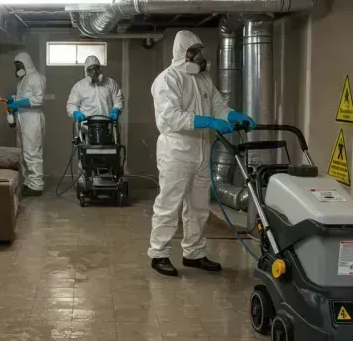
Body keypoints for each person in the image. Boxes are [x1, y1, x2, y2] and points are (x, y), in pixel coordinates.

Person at [148, 30, 255, 277]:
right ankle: (159, 253)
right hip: (176, 150)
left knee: (198, 206)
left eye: (200, 51)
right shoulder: (167, 79)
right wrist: (207, 121)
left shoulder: (204, 80)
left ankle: (193, 253)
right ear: (182, 52)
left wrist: (231, 115)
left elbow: (218, 105)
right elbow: (171, 117)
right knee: (169, 203)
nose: (198, 56)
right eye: (193, 50)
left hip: (201, 149)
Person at [4, 52, 46, 196]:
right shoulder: (23, 80)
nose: (17, 68)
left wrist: (17, 103)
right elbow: (24, 96)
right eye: (16, 66)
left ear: (26, 64)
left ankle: (37, 185)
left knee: (32, 151)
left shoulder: (35, 78)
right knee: (23, 152)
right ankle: (29, 182)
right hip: (23, 118)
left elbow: (38, 99)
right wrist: (13, 100)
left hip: (32, 119)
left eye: (19, 65)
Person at [66, 55, 124, 123]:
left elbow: (118, 99)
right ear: (86, 71)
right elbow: (71, 104)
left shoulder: (110, 83)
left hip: (108, 124)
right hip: (87, 126)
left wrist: (115, 111)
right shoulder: (79, 86)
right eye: (90, 69)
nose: (94, 72)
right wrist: (75, 112)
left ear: (100, 69)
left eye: (96, 68)